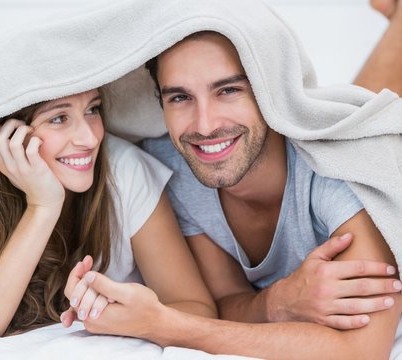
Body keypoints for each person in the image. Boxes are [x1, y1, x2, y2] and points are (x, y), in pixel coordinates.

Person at [61, 1, 402, 358]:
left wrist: (162, 324)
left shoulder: (341, 171)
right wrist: (278, 301)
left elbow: (362, 351)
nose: (205, 126)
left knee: (363, 118)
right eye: (180, 97)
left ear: (272, 91)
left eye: (228, 90)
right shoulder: (176, 167)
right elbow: (223, 302)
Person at [0, 88, 216, 346]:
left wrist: (138, 318)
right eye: (58, 118)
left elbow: (198, 310)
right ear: (8, 136)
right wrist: (43, 207)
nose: (89, 138)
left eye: (92, 110)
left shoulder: (125, 171)